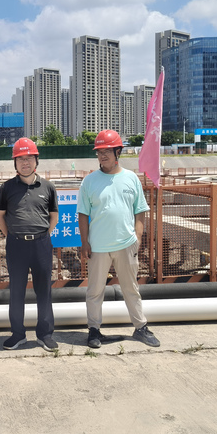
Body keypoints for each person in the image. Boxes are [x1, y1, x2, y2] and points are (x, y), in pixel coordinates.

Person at [77, 129, 160, 349]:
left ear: (118, 152)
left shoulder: (131, 179)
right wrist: (84, 243)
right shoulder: (89, 182)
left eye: (107, 151)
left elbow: (140, 211)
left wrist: (137, 238)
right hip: (98, 246)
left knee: (131, 288)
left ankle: (141, 327)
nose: (102, 155)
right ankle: (94, 330)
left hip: (126, 244)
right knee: (94, 291)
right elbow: (83, 214)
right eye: (99, 152)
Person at [0, 137, 59, 351]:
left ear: (36, 161)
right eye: (20, 159)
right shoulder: (7, 188)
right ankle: (17, 334)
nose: (25, 162)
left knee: (44, 291)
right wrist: (11, 235)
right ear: (15, 162)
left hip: (41, 245)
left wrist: (43, 236)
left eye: (29, 158)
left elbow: (54, 216)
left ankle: (45, 334)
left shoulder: (48, 187)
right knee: (16, 291)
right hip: (16, 245)